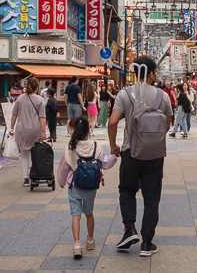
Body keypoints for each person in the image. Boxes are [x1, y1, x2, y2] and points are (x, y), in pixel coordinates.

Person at [108, 57, 173, 257]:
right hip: (155, 155)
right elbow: (167, 125)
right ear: (152, 73)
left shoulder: (124, 94)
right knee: (152, 196)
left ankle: (129, 229)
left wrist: (114, 146)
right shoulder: (162, 96)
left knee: (127, 191)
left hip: (130, 152)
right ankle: (147, 242)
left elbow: (112, 122)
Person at [61, 116, 116, 260]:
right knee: (89, 213)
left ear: (73, 130)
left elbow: (63, 167)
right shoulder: (96, 146)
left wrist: (61, 181)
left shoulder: (70, 147)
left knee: (76, 214)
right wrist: (114, 156)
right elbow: (105, 164)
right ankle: (90, 240)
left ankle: (77, 244)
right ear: (87, 130)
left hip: (74, 185)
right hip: (91, 186)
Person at [9, 77, 47, 185]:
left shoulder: (20, 98)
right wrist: (43, 132)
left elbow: (14, 115)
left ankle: (25, 178)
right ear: (37, 87)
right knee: (35, 153)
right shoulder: (40, 100)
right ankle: (35, 174)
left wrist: (11, 128)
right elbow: (42, 117)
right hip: (35, 129)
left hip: (22, 129)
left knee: (24, 154)